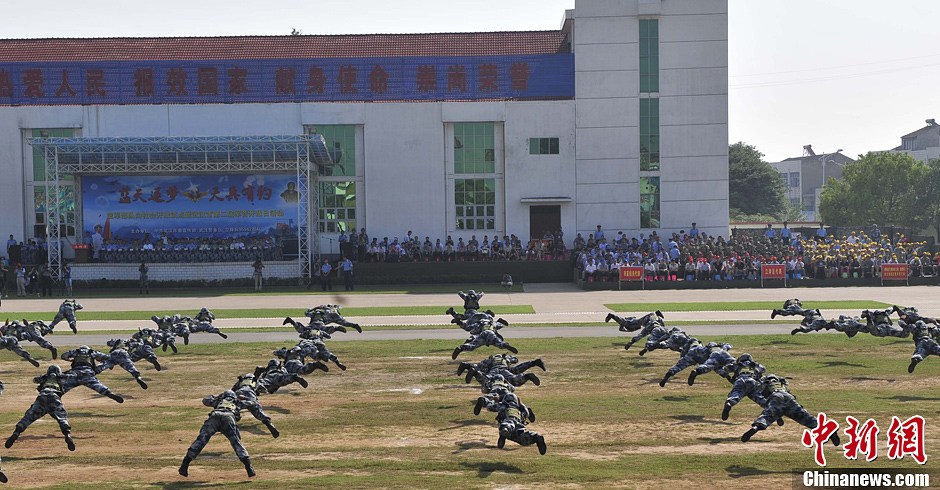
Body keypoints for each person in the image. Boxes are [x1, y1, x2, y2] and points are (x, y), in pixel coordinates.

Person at [741, 374, 841, 447]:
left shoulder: (764, 383)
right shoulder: (782, 383)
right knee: (806, 418)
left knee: (767, 415)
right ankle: (829, 431)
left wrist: (777, 416)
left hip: (775, 397)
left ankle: (756, 427)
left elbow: (765, 397)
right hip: (789, 398)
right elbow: (790, 395)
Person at [178, 390, 259, 478]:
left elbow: (205, 400)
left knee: (201, 440)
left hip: (214, 417)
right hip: (228, 418)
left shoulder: (218, 401)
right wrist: (244, 398)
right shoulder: (238, 402)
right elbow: (253, 402)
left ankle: (184, 465)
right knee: (236, 442)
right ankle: (249, 468)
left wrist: (217, 396)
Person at [5, 364, 77, 452]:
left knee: (29, 416)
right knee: (62, 417)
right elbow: (72, 377)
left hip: (42, 396)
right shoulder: (61, 377)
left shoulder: (45, 377)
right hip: (54, 397)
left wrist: (44, 376)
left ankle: (16, 433)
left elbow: (35, 380)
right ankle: (67, 435)